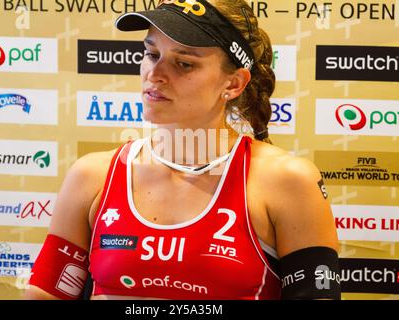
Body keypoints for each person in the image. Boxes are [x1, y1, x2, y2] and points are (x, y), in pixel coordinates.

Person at [24, 0, 340, 300]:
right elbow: (45, 293)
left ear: (233, 84)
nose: (155, 74)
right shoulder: (92, 175)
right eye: (151, 53)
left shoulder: (288, 180)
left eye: (184, 63)